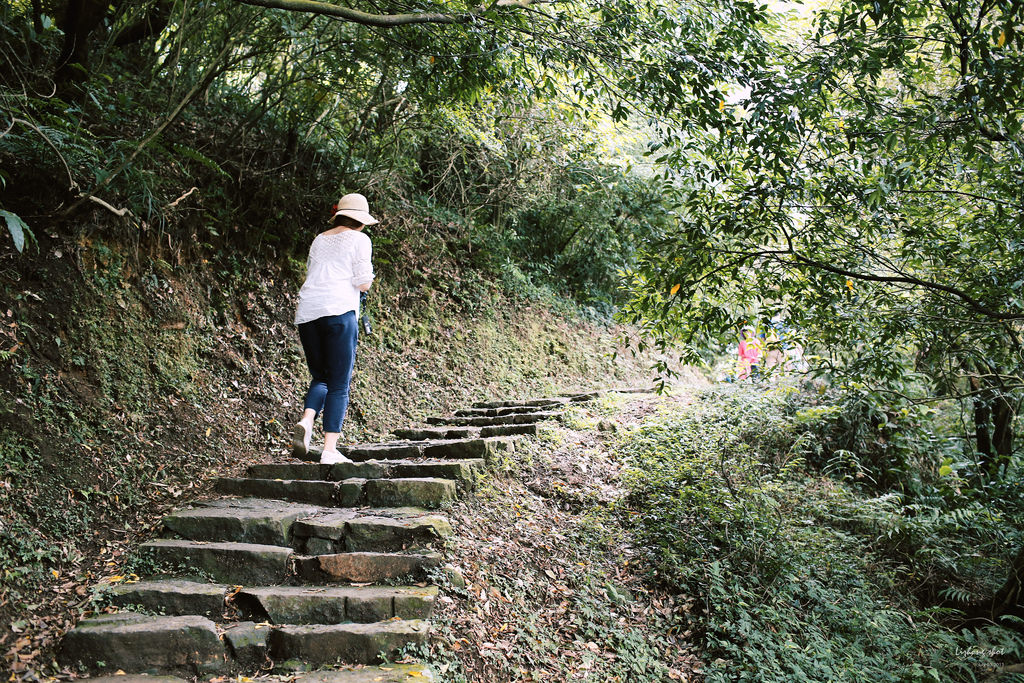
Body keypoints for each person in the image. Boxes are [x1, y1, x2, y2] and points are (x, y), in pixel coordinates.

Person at [291, 193, 376, 464]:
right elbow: (363, 283)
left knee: (322, 376)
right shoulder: (361, 239)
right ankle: (329, 450)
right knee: (339, 382)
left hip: (308, 313)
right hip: (339, 312)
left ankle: (307, 419)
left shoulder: (320, 239)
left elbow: (312, 272)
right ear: (360, 221)